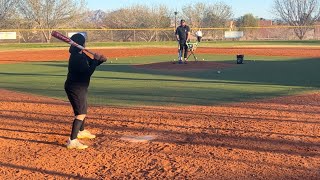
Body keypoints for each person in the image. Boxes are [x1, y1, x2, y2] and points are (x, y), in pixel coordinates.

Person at [65, 33, 107, 150]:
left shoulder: (80, 54)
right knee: (80, 113)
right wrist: (95, 61)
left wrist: (99, 61)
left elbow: (91, 63)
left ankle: (81, 131)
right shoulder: (76, 57)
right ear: (81, 43)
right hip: (75, 87)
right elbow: (87, 72)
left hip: (79, 87)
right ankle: (72, 141)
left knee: (83, 109)